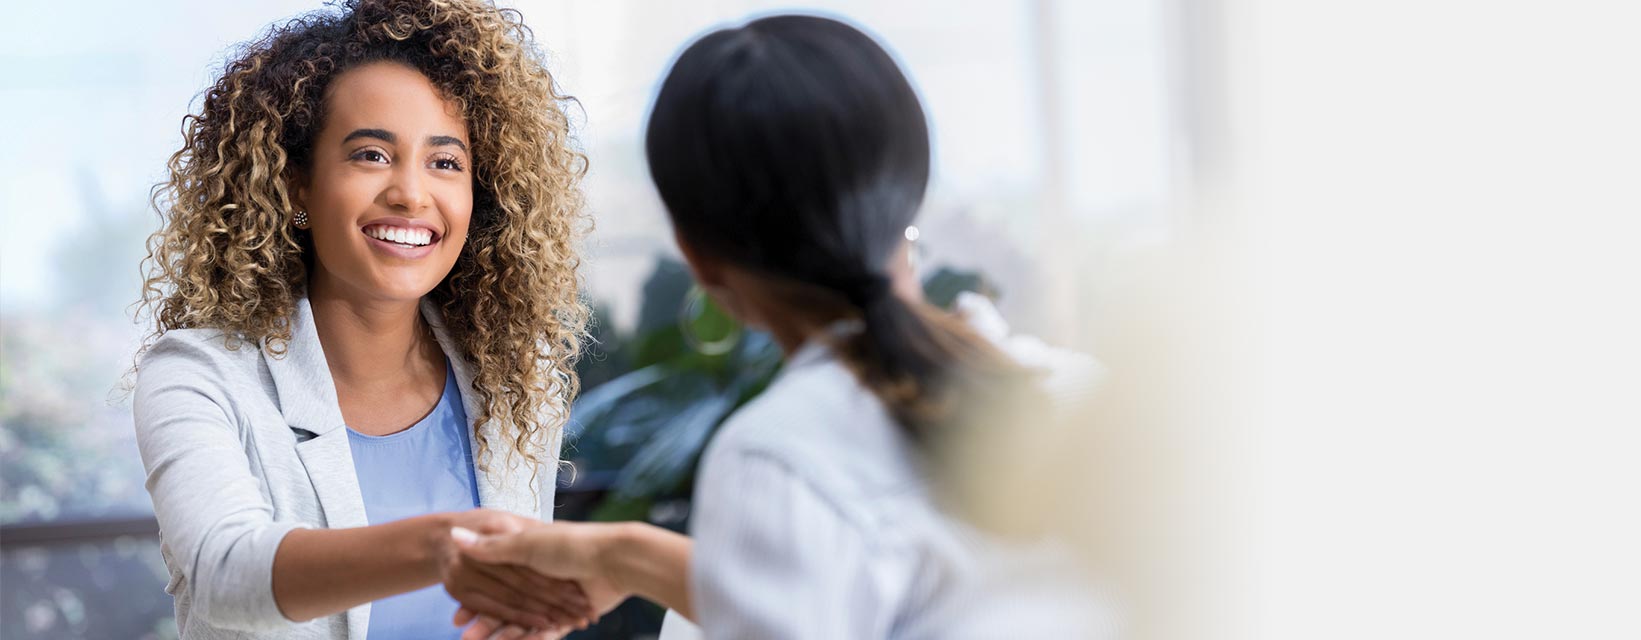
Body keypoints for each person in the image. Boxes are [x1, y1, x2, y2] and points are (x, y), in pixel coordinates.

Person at [447, 14, 1108, 639]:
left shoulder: (779, 460)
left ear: (696, 254)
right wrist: (633, 557)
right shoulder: (1079, 394)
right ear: (910, 189)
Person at [131, 0, 596, 637]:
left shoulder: (516, 379)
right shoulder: (199, 376)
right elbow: (225, 573)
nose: (411, 192)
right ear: (296, 184)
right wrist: (443, 546)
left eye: (445, 162)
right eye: (372, 155)